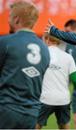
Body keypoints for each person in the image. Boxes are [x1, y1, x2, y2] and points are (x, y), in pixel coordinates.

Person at [0, 1, 50, 129]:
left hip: (6, 111)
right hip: (32, 115)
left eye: (10, 16)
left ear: (16, 19)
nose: (8, 20)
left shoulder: (5, 42)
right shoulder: (44, 49)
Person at [35, 33, 76, 129]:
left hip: (45, 98)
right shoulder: (67, 57)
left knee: (35, 126)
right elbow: (75, 79)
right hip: (63, 100)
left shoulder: (41, 55)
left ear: (47, 40)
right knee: (65, 127)